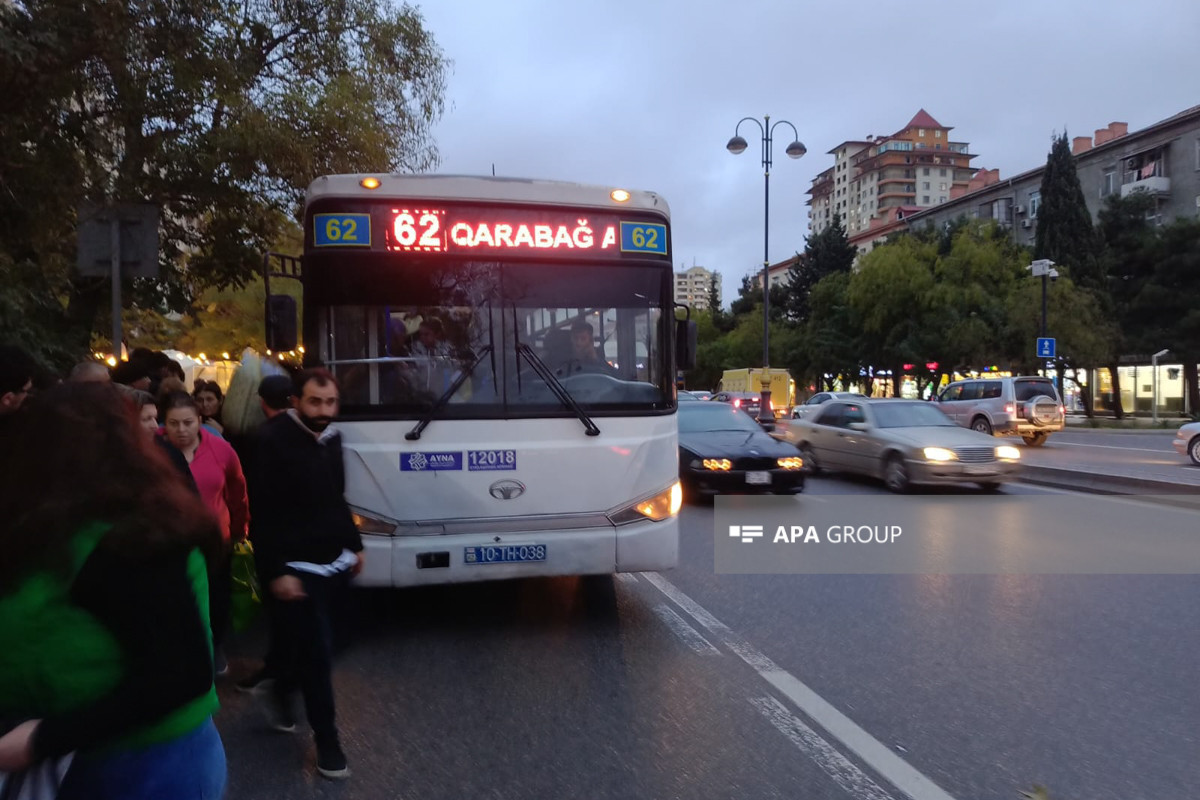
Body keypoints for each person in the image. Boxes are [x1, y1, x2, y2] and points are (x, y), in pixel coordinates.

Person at [0, 382, 226, 799]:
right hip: (105, 757)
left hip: (140, 765)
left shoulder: (130, 535)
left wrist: (41, 739)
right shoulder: (62, 521)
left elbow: (181, 672)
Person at [252, 368, 363, 780]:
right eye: (315, 402)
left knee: (339, 642)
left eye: (331, 402)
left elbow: (336, 495)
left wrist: (355, 543)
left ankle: (280, 687)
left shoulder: (333, 438)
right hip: (295, 565)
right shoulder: (271, 441)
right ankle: (328, 741)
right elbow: (262, 513)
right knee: (317, 654)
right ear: (296, 400)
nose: (324, 410)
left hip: (334, 558)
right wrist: (277, 571)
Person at [161, 391, 249, 676]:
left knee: (216, 597)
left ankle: (215, 645)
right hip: (169, 542)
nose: (182, 430)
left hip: (215, 540)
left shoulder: (221, 450)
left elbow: (237, 493)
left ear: (200, 421)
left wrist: (240, 530)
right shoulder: (152, 451)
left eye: (188, 423)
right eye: (174, 424)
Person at [234, 374, 295, 695]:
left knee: (278, 607)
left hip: (272, 534)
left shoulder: (259, 437)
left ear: (260, 402)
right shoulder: (313, 432)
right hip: (306, 535)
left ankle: (281, 670)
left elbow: (252, 492)